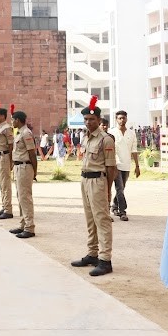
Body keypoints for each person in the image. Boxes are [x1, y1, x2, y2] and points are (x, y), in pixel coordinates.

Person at [71, 97, 116, 277]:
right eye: (86, 120)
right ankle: (92, 254)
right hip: (85, 180)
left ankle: (105, 260)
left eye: (92, 119)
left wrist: (108, 189)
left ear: (99, 120)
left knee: (102, 220)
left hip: (98, 180)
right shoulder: (86, 138)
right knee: (90, 219)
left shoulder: (106, 139)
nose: (88, 122)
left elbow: (111, 167)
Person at [8, 111, 38, 238]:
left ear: (18, 120)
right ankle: (23, 223)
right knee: (20, 197)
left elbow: (32, 153)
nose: (12, 122)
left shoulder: (26, 133)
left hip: (25, 166)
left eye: (13, 120)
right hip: (18, 166)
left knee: (25, 197)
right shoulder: (19, 133)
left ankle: (29, 227)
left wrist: (34, 171)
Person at [109, 110, 140, 222]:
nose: (122, 120)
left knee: (121, 189)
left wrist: (137, 166)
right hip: (116, 165)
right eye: (119, 118)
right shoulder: (111, 132)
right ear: (116, 119)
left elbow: (134, 150)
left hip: (127, 165)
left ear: (126, 119)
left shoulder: (131, 133)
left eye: (123, 118)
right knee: (120, 188)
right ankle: (123, 212)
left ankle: (114, 206)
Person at [0, 103, 14, 219]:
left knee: (5, 184)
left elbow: (11, 146)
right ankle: (4, 205)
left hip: (5, 156)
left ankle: (8, 210)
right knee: (1, 183)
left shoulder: (7, 128)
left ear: (3, 116)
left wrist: (11, 161)